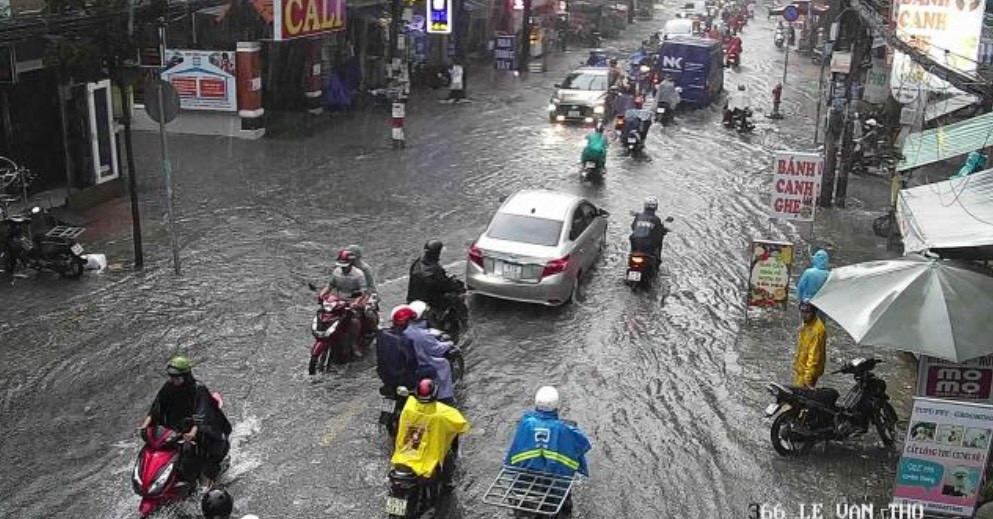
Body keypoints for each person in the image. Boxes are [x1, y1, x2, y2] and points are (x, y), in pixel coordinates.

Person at [140, 355, 232, 486]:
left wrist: (193, 432)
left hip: (200, 428)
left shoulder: (199, 389)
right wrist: (145, 425)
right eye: (172, 377)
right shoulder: (169, 386)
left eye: (177, 377)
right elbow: (157, 407)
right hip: (177, 426)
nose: (174, 380)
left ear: (186, 376)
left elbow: (201, 414)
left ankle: (206, 482)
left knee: (202, 457)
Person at [504, 386, 591, 514]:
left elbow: (514, 451)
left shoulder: (526, 423)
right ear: (556, 405)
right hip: (555, 485)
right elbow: (583, 445)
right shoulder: (565, 429)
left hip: (525, 479)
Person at [391, 378, 470, 489]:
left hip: (408, 450)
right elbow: (460, 425)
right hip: (428, 457)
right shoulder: (443, 415)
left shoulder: (408, 408)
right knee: (447, 455)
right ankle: (447, 483)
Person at [405, 300, 457, 405]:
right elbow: (437, 349)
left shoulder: (405, 329)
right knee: (443, 364)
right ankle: (445, 396)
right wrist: (448, 344)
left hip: (406, 362)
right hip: (421, 363)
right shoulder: (423, 335)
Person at [376, 306, 421, 396]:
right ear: (406, 322)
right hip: (404, 380)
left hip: (386, 378)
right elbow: (412, 361)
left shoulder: (383, 334)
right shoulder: (405, 340)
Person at [407, 240, 463, 311]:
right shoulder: (436, 270)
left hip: (413, 299)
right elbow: (444, 285)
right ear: (437, 253)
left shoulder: (417, 262)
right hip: (431, 303)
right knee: (457, 299)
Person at [792, 301, 827, 388]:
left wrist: (808, 378)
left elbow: (814, 357)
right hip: (800, 369)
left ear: (814, 312)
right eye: (802, 311)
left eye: (807, 312)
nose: (803, 314)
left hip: (808, 373)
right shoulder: (805, 324)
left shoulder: (818, 330)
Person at [629, 197, 667, 262]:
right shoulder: (656, 219)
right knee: (658, 242)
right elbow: (658, 234)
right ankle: (657, 261)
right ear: (656, 207)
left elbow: (633, 227)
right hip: (648, 246)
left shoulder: (639, 216)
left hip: (634, 243)